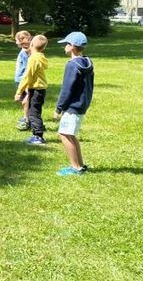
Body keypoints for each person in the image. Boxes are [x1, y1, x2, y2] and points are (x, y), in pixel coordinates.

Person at [54, 32, 95, 176]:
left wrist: (59, 108)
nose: (64, 47)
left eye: (66, 44)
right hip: (82, 104)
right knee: (71, 134)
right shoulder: (87, 62)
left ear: (72, 46)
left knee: (64, 134)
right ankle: (80, 165)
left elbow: (67, 89)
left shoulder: (72, 65)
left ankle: (75, 167)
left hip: (72, 106)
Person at [15, 34, 48, 145]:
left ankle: (38, 136)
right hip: (40, 89)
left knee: (33, 113)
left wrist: (19, 91)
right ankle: (37, 133)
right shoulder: (40, 56)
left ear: (32, 44)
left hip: (36, 89)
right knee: (35, 111)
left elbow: (27, 76)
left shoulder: (33, 58)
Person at [13, 30, 32, 131]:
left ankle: (27, 118)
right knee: (25, 100)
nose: (16, 42)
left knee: (26, 100)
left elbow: (26, 69)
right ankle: (27, 116)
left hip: (23, 80)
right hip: (19, 79)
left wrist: (25, 83)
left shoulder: (25, 53)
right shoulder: (25, 51)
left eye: (16, 40)